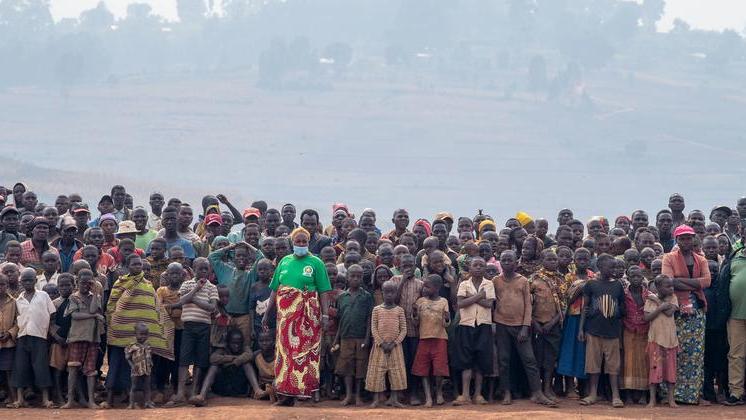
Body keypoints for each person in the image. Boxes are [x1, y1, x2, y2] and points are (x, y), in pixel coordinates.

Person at [261, 227, 331, 405]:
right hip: (285, 318)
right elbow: (275, 289)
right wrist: (267, 313)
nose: (301, 244)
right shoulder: (284, 261)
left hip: (308, 317)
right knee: (285, 353)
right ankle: (285, 394)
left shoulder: (316, 263)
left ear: (308, 243)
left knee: (305, 353)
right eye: (298, 242)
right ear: (292, 243)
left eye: (304, 241)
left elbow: (324, 291)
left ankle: (303, 392)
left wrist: (325, 316)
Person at [104, 254, 172, 409]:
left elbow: (153, 307)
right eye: (134, 264)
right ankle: (110, 399)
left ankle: (142, 400)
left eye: (139, 264)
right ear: (128, 266)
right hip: (121, 332)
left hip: (142, 334)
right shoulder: (120, 282)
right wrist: (115, 323)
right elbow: (112, 305)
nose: (137, 267)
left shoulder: (148, 284)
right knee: (117, 364)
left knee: (144, 369)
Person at [493, 250, 554, 406]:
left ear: (516, 263)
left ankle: (537, 393)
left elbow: (528, 306)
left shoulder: (523, 281)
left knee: (529, 360)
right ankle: (506, 392)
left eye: (510, 260)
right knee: (504, 360)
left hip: (520, 326)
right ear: (500, 262)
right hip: (501, 325)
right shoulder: (495, 281)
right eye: (503, 260)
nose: (507, 263)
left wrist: (525, 327)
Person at [662, 224, 710, 405]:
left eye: (689, 238)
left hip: (696, 311)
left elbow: (706, 281)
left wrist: (680, 281)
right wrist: (694, 283)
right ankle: (671, 394)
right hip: (675, 310)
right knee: (674, 351)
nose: (686, 241)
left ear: (693, 239)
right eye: (682, 238)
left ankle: (692, 395)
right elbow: (668, 282)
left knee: (695, 353)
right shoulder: (669, 258)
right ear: (677, 240)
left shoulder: (701, 260)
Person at [166, 258, 218, 407]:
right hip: (188, 327)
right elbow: (182, 300)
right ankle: (181, 393)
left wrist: (192, 298)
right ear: (193, 270)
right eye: (200, 268)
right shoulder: (187, 284)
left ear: (209, 271)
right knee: (184, 360)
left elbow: (211, 307)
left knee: (200, 361)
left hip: (204, 327)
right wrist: (195, 289)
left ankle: (194, 392)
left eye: (206, 269)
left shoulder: (212, 287)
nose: (203, 271)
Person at [578, 254, 626, 408]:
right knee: (593, 364)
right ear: (599, 267)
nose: (614, 270)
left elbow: (623, 309)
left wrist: (616, 312)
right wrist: (581, 329)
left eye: (615, 267)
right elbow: (584, 307)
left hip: (612, 331)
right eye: (610, 267)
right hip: (593, 330)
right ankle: (592, 394)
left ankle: (616, 395)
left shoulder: (618, 285)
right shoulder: (591, 284)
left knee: (614, 365)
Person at [8, 268, 57, 408]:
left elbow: (52, 314)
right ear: (21, 282)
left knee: (41, 366)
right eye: (25, 281)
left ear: (35, 281)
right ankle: (19, 399)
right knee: (20, 367)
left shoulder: (43, 296)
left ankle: (46, 399)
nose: (28, 283)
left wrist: (49, 332)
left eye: (30, 280)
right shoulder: (18, 300)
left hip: (39, 336)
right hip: (22, 336)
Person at [62, 269, 103, 409]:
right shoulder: (74, 297)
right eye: (82, 282)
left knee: (91, 370)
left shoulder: (95, 297)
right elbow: (75, 316)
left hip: (92, 337)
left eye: (88, 283)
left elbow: (92, 309)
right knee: (73, 368)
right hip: (77, 336)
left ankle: (91, 401)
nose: (85, 285)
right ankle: (70, 400)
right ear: (77, 282)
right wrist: (94, 316)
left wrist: (95, 293)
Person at [333, 264, 373, 406]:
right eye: (353, 276)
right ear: (347, 277)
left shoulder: (366, 296)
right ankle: (349, 395)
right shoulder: (342, 297)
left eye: (359, 276)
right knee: (347, 366)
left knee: (360, 366)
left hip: (361, 337)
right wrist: (336, 339)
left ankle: (358, 396)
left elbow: (369, 318)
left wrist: (367, 338)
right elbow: (340, 320)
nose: (356, 279)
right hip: (345, 337)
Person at [557, 247, 594, 399]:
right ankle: (570, 387)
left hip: (589, 318)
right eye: (579, 259)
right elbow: (564, 300)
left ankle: (584, 387)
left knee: (585, 352)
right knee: (570, 350)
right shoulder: (568, 277)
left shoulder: (593, 277)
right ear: (574, 261)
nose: (582, 262)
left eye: (585, 259)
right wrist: (578, 290)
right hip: (572, 318)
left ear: (590, 260)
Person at [716, 222, 746, 405]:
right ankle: (736, 392)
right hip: (735, 315)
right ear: (743, 235)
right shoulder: (734, 256)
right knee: (736, 355)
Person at [529, 249, 564, 403]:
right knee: (536, 358)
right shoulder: (534, 279)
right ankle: (536, 390)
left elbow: (564, 305)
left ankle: (547, 388)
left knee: (550, 359)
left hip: (553, 325)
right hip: (536, 325)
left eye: (555, 259)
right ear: (542, 261)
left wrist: (553, 322)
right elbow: (527, 304)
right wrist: (534, 322)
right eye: (549, 259)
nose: (553, 262)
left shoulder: (560, 280)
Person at [366, 279, 407, 408]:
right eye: (386, 292)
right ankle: (376, 400)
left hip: (395, 347)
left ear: (396, 293)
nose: (389, 295)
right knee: (377, 372)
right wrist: (381, 343)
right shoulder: (376, 310)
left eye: (392, 292)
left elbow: (403, 329)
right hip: (379, 347)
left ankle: (394, 399)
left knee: (396, 372)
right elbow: (374, 328)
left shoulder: (399, 310)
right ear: (382, 293)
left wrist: (395, 343)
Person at [208, 242, 259, 346]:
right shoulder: (225, 270)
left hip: (244, 318)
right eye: (238, 255)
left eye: (244, 256)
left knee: (245, 345)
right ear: (233, 258)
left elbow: (261, 258)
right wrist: (231, 246)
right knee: (222, 344)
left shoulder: (251, 275)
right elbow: (212, 257)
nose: (241, 258)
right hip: (225, 315)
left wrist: (247, 245)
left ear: (249, 259)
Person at [412, 274, 450, 407]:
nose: (424, 289)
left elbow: (446, 324)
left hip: (440, 338)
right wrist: (415, 313)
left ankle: (438, 393)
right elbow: (416, 323)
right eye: (424, 286)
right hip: (424, 338)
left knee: (439, 369)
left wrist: (447, 318)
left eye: (427, 286)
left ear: (437, 288)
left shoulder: (443, 301)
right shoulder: (420, 301)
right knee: (423, 369)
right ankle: (428, 396)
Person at [391, 253, 423, 405]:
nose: (408, 269)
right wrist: (403, 280)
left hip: (415, 330)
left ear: (415, 267)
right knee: (400, 362)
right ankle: (400, 392)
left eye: (411, 266)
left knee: (413, 361)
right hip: (398, 330)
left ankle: (414, 393)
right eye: (405, 266)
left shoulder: (420, 284)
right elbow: (394, 300)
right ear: (400, 266)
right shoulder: (394, 280)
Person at [644, 275, 679, 408]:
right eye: (668, 286)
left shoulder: (673, 298)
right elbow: (647, 317)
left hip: (670, 340)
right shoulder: (650, 300)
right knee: (654, 369)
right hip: (655, 340)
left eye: (672, 286)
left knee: (671, 370)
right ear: (658, 287)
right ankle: (652, 399)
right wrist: (660, 307)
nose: (671, 288)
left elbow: (670, 313)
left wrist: (658, 302)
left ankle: (671, 399)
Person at [621, 265, 651, 404]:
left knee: (645, 361)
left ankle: (644, 394)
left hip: (645, 331)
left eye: (638, 276)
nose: (636, 279)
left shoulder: (649, 295)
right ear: (628, 278)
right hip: (628, 330)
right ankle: (628, 394)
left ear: (642, 277)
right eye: (633, 276)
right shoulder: (623, 294)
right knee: (628, 362)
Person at [48, 273, 73, 404]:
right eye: (61, 286)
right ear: (58, 287)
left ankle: (71, 395)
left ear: (73, 286)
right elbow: (50, 323)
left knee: (72, 370)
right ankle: (58, 395)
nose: (64, 288)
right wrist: (57, 337)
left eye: (67, 285)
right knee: (57, 370)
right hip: (58, 342)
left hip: (72, 341)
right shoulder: (54, 303)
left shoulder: (76, 302)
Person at [125, 322, 154, 409]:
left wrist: (150, 363)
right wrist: (132, 366)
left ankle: (147, 402)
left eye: (145, 334)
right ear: (135, 334)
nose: (143, 336)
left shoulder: (148, 345)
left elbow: (150, 355)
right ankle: (131, 404)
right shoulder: (132, 346)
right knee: (133, 387)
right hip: (136, 369)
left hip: (147, 369)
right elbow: (128, 357)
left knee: (147, 387)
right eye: (141, 334)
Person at [0, 273, 17, 403]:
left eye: (2, 284)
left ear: (7, 285)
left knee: (8, 370)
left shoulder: (14, 302)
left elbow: (18, 321)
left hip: (8, 343)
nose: (0, 287)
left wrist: (10, 333)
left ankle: (13, 398)